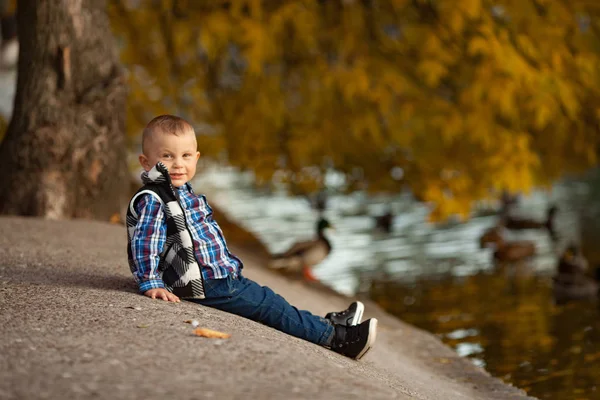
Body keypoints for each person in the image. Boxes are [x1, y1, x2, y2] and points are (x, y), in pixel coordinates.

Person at [126, 114, 378, 360]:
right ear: (146, 162)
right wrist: (151, 282)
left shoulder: (178, 190)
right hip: (205, 283)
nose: (178, 164)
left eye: (186, 156)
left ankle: (327, 323)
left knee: (272, 301)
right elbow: (146, 243)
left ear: (197, 158)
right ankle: (338, 339)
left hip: (216, 276)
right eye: (167, 156)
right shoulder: (155, 199)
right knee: (269, 305)